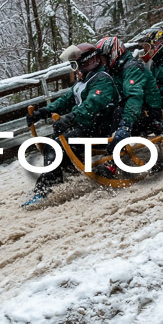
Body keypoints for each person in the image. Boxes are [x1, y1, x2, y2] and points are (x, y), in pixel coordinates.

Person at [23, 43, 118, 206]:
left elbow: (92, 105)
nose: (75, 70)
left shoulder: (102, 79)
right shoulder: (83, 81)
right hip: (87, 126)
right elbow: (65, 101)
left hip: (100, 127)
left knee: (59, 144)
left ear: (88, 62)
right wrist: (43, 112)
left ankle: (47, 187)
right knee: (51, 143)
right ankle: (59, 176)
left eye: (75, 65)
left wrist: (71, 119)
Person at [95, 36, 163, 152]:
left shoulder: (132, 68)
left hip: (149, 114)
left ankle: (112, 159)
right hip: (136, 112)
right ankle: (99, 144)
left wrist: (125, 125)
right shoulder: (117, 69)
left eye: (103, 59)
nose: (102, 63)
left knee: (118, 112)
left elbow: (134, 98)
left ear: (112, 54)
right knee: (106, 111)